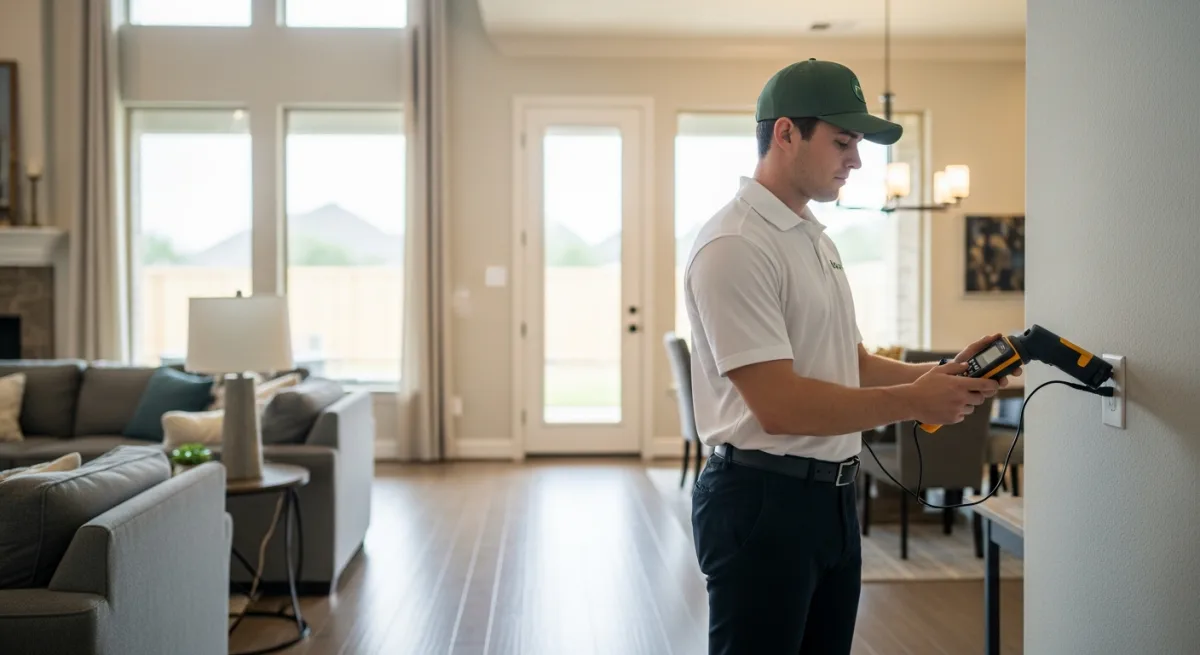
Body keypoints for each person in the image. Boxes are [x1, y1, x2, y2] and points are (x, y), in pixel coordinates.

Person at [683, 59, 1022, 655]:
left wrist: (940, 374)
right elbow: (780, 407)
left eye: (858, 144)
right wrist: (915, 401)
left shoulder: (813, 238)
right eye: (843, 142)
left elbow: (851, 360)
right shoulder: (735, 245)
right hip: (762, 500)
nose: (858, 161)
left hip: (832, 498)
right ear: (786, 133)